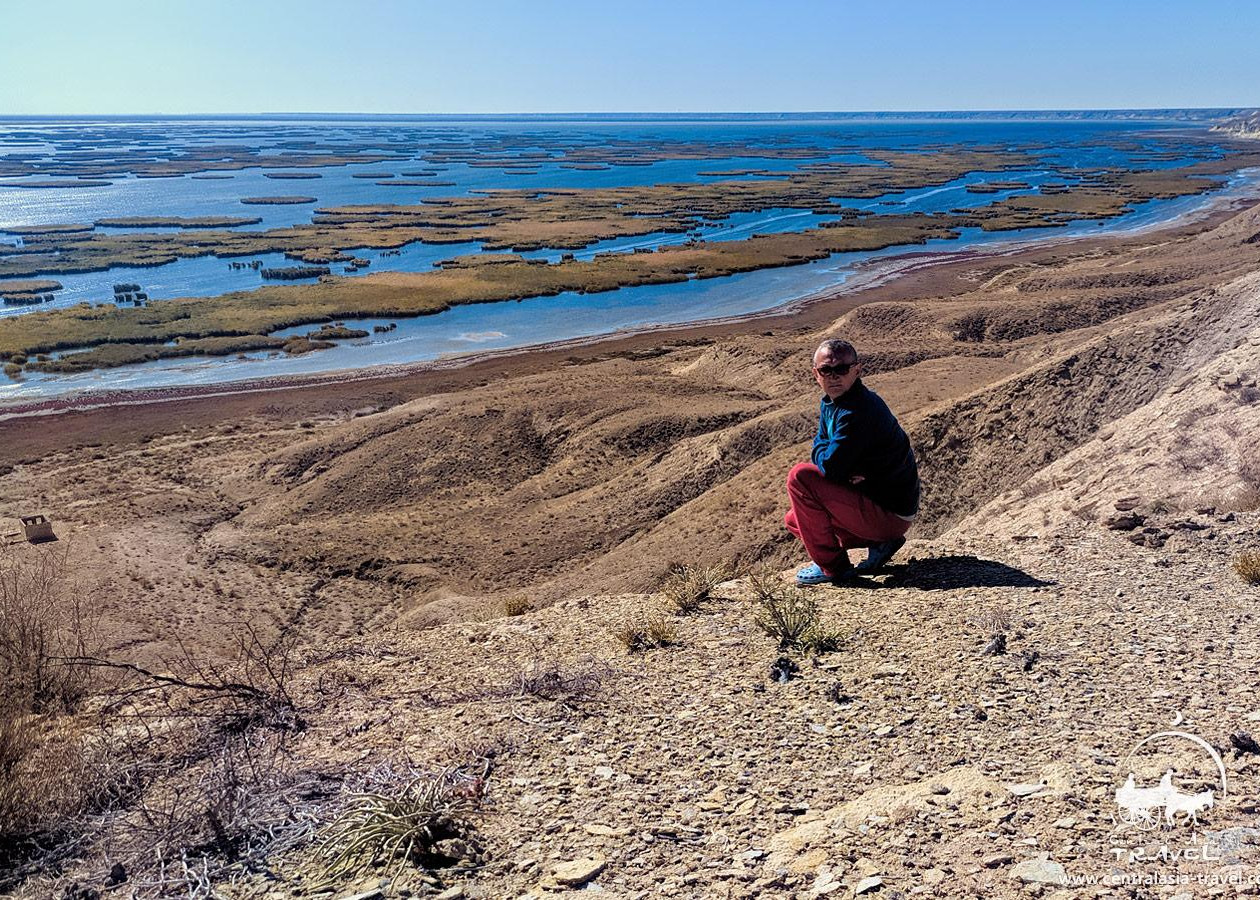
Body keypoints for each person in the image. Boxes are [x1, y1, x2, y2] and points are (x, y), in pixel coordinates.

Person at [785, 339, 919, 585]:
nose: (833, 376)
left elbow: (831, 466)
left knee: (800, 477)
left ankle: (834, 568)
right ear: (816, 374)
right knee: (794, 520)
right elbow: (823, 449)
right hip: (882, 508)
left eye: (842, 369)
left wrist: (834, 465)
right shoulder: (833, 403)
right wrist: (834, 464)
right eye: (826, 370)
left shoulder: (856, 410)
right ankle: (879, 544)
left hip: (890, 513)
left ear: (857, 370)